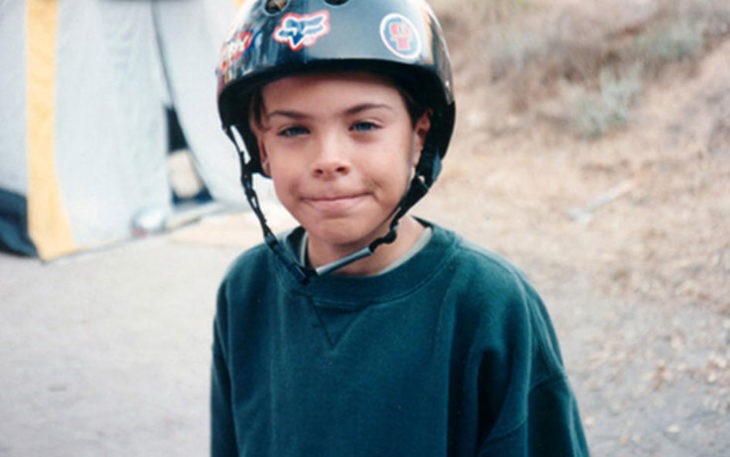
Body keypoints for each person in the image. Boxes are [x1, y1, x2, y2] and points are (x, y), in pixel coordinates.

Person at [211, 1, 590, 456]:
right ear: (261, 150)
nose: (329, 159)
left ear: (419, 137)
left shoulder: (489, 305)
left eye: (364, 125)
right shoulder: (245, 292)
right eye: (293, 130)